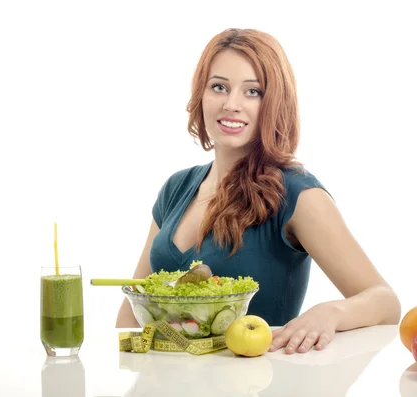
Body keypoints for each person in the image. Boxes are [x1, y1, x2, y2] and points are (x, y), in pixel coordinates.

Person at [115, 28, 401, 354]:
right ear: (201, 94)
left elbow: (384, 300)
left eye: (253, 92)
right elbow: (132, 311)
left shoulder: (297, 195)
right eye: (219, 87)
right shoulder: (176, 189)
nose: (232, 104)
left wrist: (331, 313)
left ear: (275, 102)